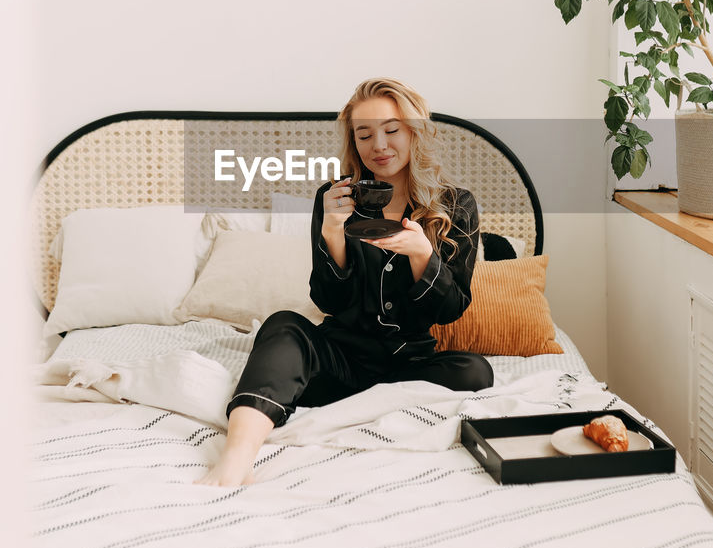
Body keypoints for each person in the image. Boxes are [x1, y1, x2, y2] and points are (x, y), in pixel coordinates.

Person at [196, 77, 492, 487]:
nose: (379, 145)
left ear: (413, 131)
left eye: (391, 130)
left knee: (475, 371)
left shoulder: (455, 206)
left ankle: (352, 406)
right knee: (283, 325)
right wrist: (334, 233)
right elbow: (329, 299)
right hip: (340, 359)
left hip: (409, 365)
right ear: (353, 141)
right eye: (364, 134)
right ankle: (237, 458)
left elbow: (451, 307)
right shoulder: (334, 198)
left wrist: (423, 254)